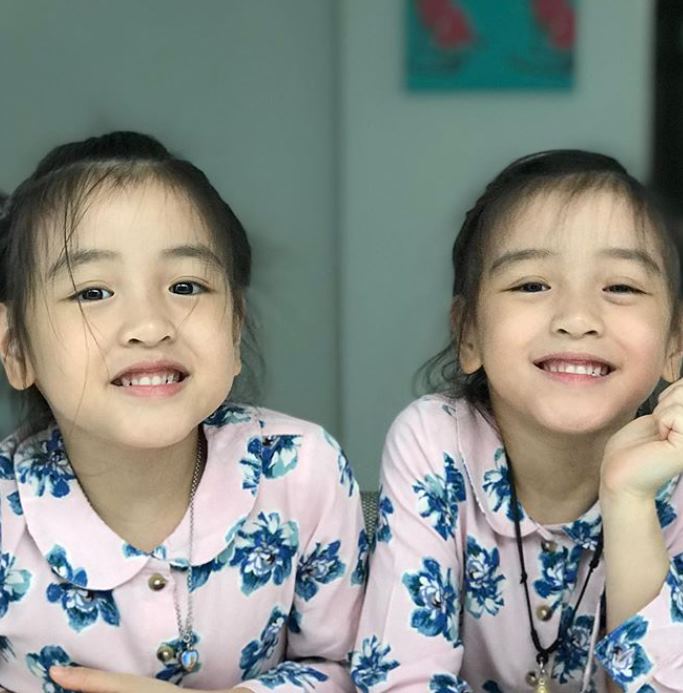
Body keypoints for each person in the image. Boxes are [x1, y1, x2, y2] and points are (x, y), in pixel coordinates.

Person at [0, 132, 365, 692]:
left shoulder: (299, 471)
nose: (150, 325)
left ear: (235, 328)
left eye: (186, 285)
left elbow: (345, 669)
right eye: (92, 292)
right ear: (16, 348)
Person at [351, 150, 683, 691]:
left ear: (675, 344)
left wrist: (628, 501)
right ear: (469, 334)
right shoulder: (436, 441)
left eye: (621, 287)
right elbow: (400, 680)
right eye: (531, 285)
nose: (577, 319)